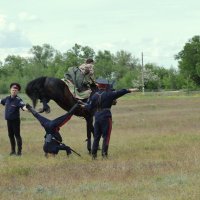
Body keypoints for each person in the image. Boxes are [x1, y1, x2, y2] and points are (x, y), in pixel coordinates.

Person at [80, 78, 138, 159]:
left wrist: (84, 105)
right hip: (106, 116)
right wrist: (129, 90)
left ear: (98, 86)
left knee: (96, 137)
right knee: (106, 136)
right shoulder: (109, 94)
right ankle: (104, 155)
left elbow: (90, 107)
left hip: (97, 117)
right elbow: (120, 92)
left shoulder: (94, 96)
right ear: (106, 86)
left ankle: (94, 155)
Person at [0, 83, 27, 156]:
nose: (14, 91)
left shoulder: (18, 100)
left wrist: (27, 108)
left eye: (15, 90)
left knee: (17, 135)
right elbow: (1, 101)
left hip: (15, 121)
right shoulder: (7, 98)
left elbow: (23, 107)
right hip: (9, 121)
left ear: (17, 91)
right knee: (10, 135)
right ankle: (13, 151)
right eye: (13, 90)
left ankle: (19, 152)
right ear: (10, 90)